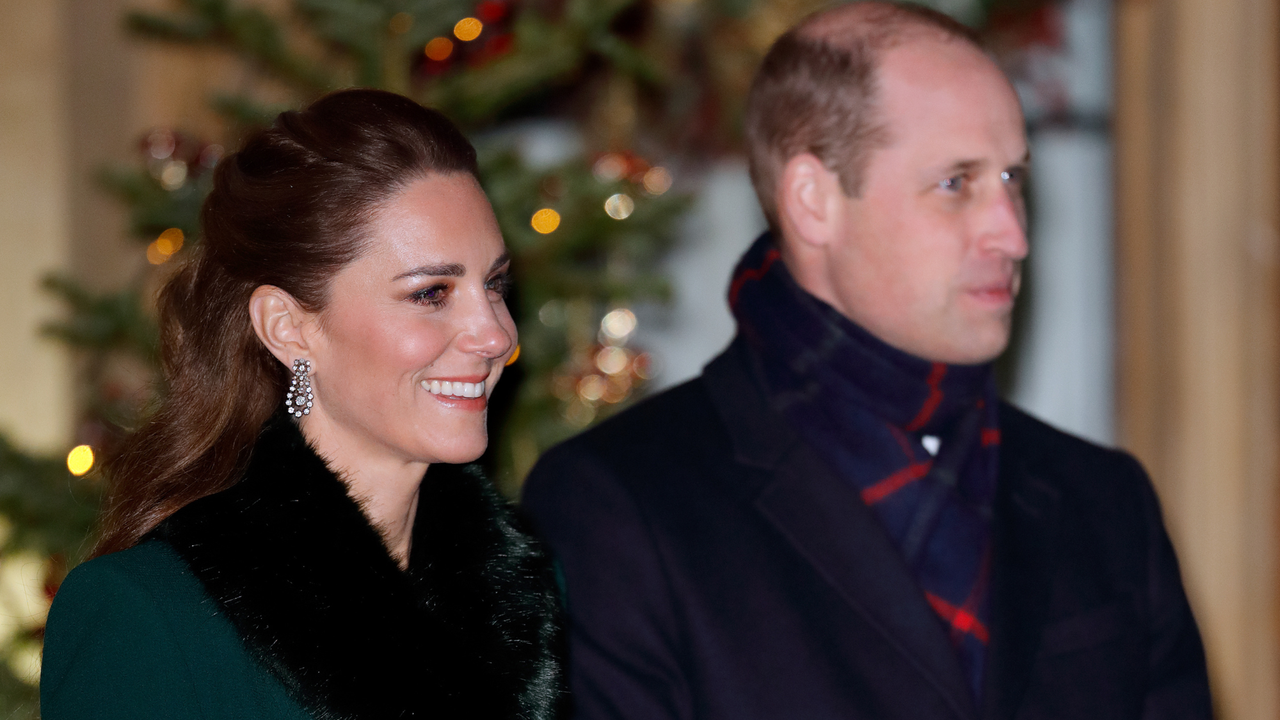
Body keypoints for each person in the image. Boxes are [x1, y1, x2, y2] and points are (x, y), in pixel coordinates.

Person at [521, 3, 1212, 719]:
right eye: (956, 183)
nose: (1011, 233)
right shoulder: (619, 510)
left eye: (1013, 179)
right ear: (814, 201)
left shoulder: (1107, 503)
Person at [41, 89, 565, 720]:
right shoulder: (147, 615)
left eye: (495, 284)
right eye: (431, 293)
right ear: (288, 327)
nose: (496, 335)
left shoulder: (524, 591)